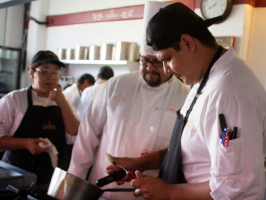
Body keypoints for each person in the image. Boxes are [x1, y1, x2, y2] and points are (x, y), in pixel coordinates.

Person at [106, 2, 266, 200]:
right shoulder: (205, 78)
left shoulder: (229, 93)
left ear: (188, 43)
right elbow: (190, 147)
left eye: (167, 59)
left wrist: (169, 191)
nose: (166, 70)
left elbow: (235, 185)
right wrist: (140, 163)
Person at [68, 2, 189, 200]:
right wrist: (73, 189)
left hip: (149, 194)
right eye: (144, 60)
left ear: (168, 60)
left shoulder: (185, 96)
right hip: (104, 188)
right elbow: (86, 138)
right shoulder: (116, 86)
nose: (149, 67)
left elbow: (184, 152)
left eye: (157, 62)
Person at [0, 50, 80, 184]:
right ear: (31, 73)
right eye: (45, 71)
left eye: (55, 72)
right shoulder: (14, 99)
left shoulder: (63, 101)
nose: (51, 77)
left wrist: (62, 103)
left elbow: (74, 134)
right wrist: (25, 143)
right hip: (18, 175)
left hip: (53, 178)